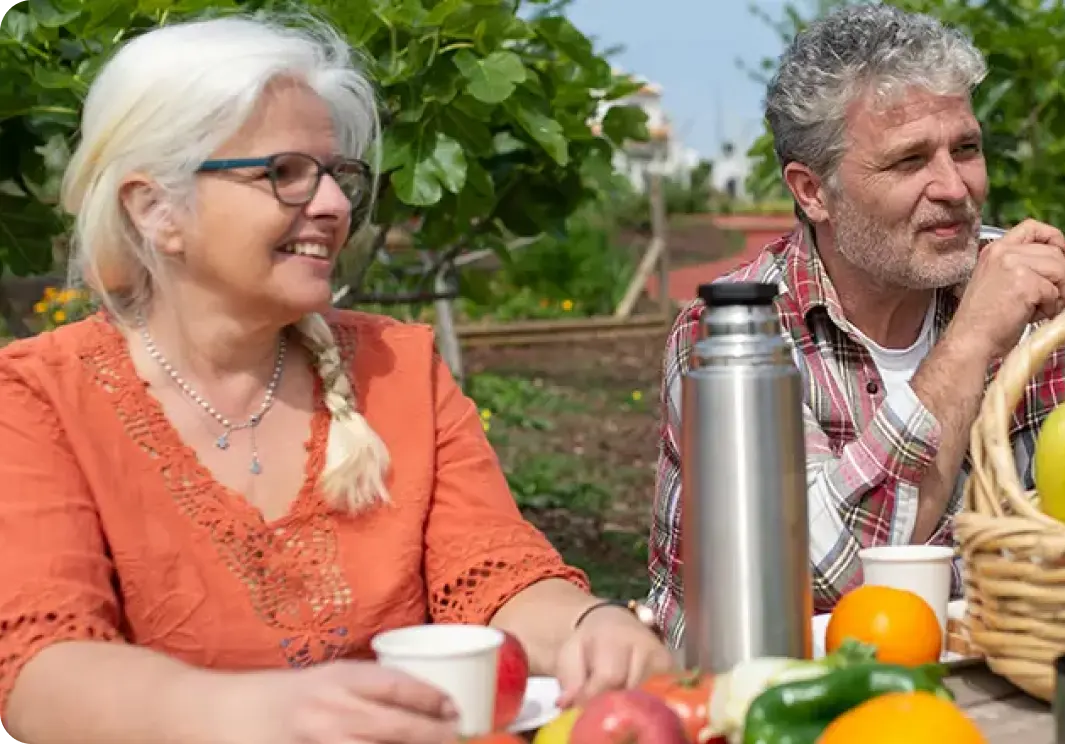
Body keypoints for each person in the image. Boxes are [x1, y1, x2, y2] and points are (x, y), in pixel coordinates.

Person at [0, 15, 671, 744]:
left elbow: (496, 575)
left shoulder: (399, 369)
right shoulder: (38, 400)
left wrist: (589, 626)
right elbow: (44, 671)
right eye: (284, 173)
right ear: (156, 208)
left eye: (337, 174)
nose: (335, 205)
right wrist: (266, 714)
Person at [645, 5, 1065, 650]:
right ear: (812, 191)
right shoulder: (731, 341)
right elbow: (824, 576)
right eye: (909, 161)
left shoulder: (1028, 294)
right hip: (771, 698)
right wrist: (972, 338)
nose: (955, 188)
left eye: (965, 148)